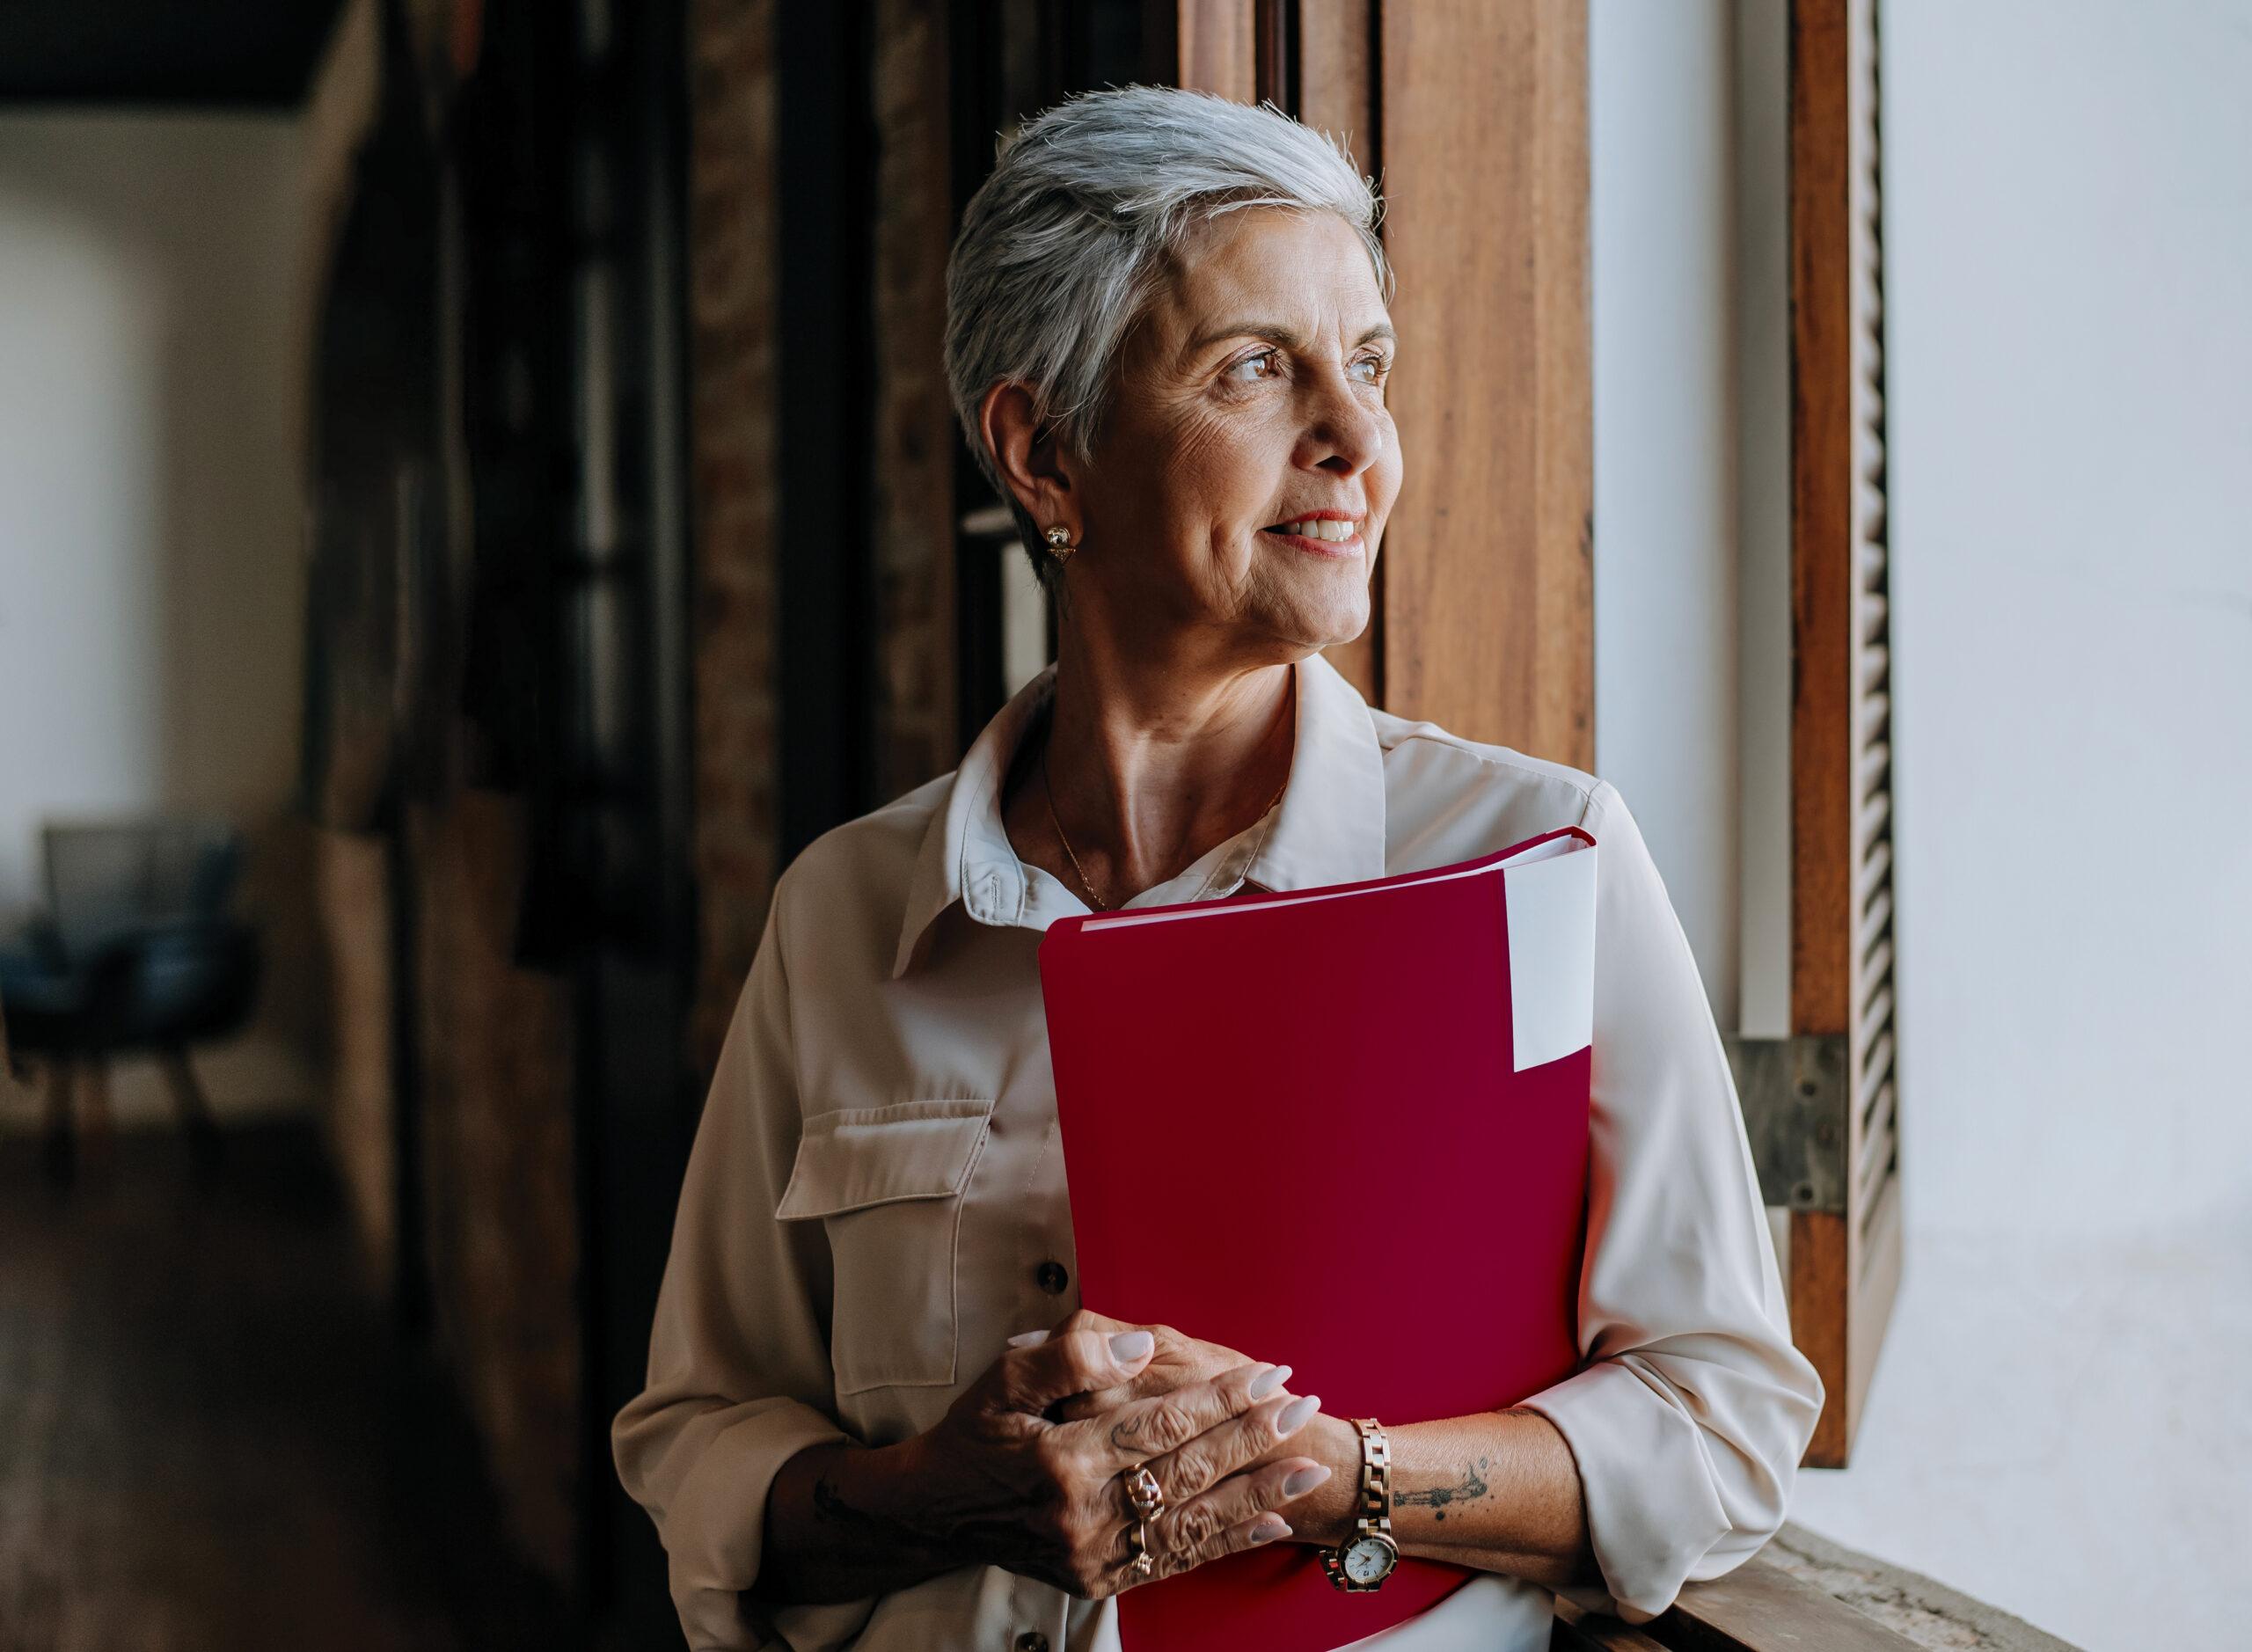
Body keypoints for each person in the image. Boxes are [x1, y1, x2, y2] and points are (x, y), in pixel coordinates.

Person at [613, 84, 1824, 1652]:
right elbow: (698, 1429)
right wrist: (937, 1492)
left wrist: (1333, 1475)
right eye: (1258, 366)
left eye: (1370, 364)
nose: (1359, 441)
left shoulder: (1540, 859)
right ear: (1044, 451)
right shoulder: (843, 914)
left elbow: (1724, 1419)